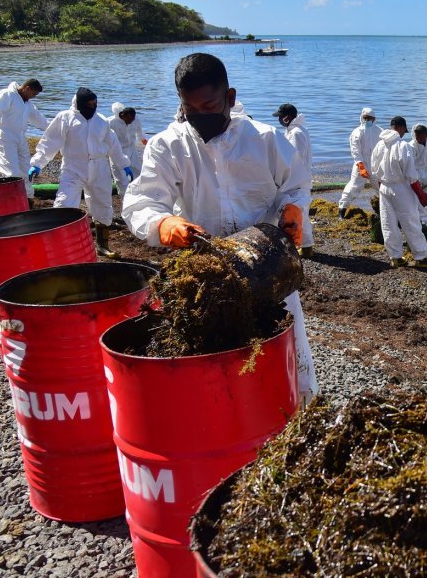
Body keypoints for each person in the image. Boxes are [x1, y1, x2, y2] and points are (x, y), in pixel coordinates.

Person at [121, 52, 318, 402]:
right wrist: (163, 223)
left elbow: (297, 183)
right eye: (189, 108)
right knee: (213, 367)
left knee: (286, 358)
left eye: (208, 106)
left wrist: (294, 208)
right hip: (204, 274)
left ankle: (294, 411)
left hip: (267, 266)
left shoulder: (264, 138)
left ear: (230, 98)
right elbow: (141, 202)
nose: (199, 116)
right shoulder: (168, 146)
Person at [27, 88, 131, 258]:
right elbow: (50, 141)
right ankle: (60, 244)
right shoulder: (65, 118)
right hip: (73, 167)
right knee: (65, 203)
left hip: (99, 166)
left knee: (103, 203)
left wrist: (123, 164)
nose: (93, 107)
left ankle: (102, 245)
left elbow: (113, 144)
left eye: (95, 104)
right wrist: (38, 163)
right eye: (90, 104)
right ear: (81, 104)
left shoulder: (101, 121)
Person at [370, 116, 427, 268]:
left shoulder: (379, 145)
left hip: (384, 187)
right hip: (401, 188)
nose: (403, 134)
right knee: (411, 221)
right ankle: (420, 257)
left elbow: (374, 171)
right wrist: (421, 195)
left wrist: (381, 188)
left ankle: (395, 257)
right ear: (400, 128)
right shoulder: (403, 146)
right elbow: (411, 176)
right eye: (403, 131)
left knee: (388, 223)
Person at [0, 79, 48, 197]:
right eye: (33, 94)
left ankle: (28, 198)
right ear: (27, 88)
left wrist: (58, 130)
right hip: (5, 136)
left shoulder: (28, 104)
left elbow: (41, 121)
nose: (34, 97)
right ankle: (11, 198)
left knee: (26, 168)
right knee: (10, 170)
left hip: (20, 137)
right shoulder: (7, 95)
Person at [273, 103, 315, 258]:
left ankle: (305, 247)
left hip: (297, 179)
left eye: (280, 117)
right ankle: (306, 247)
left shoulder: (296, 133)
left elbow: (293, 157)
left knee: (298, 212)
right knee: (301, 213)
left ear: (287, 117)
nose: (279, 120)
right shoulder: (298, 130)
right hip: (300, 178)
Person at [337, 107, 382, 218]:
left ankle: (386, 212)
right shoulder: (357, 132)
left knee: (381, 188)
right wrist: (361, 166)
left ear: (374, 119)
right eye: (365, 118)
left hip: (376, 164)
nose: (368, 120)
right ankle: (342, 210)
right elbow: (355, 151)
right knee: (353, 187)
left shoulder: (380, 131)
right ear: (362, 118)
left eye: (370, 118)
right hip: (361, 164)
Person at [107, 103, 146, 198]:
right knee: (121, 180)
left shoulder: (136, 120)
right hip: (117, 152)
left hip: (132, 150)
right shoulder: (110, 122)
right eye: (128, 120)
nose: (130, 122)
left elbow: (141, 136)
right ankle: (124, 200)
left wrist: (148, 147)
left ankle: (138, 196)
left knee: (139, 173)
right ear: (123, 116)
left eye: (132, 120)